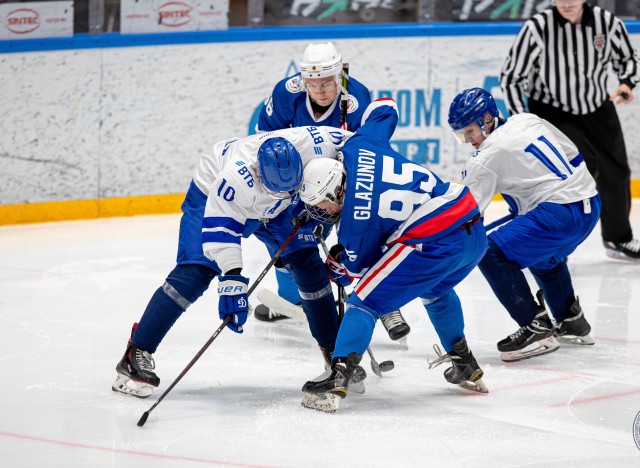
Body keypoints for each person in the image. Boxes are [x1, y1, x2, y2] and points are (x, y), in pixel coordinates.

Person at [112, 126, 353, 398]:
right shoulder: (235, 177)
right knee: (195, 272)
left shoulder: (318, 144)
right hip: (212, 197)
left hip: (278, 211)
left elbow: (363, 145)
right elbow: (221, 233)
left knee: (308, 265)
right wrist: (233, 279)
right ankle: (136, 352)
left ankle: (336, 357)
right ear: (258, 173)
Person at [298, 98, 489, 412]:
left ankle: (338, 376)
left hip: (435, 240)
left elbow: (360, 272)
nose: (321, 212)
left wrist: (337, 265)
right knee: (435, 289)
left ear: (336, 191)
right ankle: (464, 362)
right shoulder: (360, 146)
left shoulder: (352, 230)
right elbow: (386, 107)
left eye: (322, 204)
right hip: (472, 228)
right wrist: (352, 117)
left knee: (365, 301)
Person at [254, 42, 411, 342]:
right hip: (300, 180)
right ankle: (292, 300)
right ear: (302, 79)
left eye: (327, 82)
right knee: (286, 237)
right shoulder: (286, 94)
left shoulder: (356, 99)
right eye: (313, 83)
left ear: (339, 75)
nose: (321, 90)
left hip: (347, 177)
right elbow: (265, 142)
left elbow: (367, 153)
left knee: (363, 233)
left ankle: (387, 302)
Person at [448, 87, 602, 363]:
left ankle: (535, 326)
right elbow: (573, 155)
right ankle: (571, 320)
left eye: (469, 131)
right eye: (461, 134)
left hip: (558, 215)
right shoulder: (527, 119)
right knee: (539, 251)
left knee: (490, 251)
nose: (467, 139)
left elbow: (468, 214)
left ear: (486, 119)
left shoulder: (486, 158)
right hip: (590, 201)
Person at [500, 0, 640, 260]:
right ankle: (550, 242)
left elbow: (628, 59)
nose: (565, 2)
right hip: (552, 110)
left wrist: (626, 83)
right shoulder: (537, 28)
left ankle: (617, 238)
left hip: (597, 104)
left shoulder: (607, 23)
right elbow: (511, 77)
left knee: (616, 171)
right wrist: (522, 119)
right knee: (567, 172)